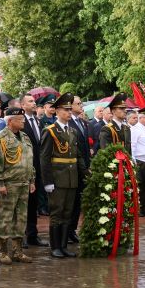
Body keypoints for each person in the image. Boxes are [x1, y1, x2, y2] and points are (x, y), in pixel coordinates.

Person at [41, 93, 87, 258]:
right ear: (57, 111)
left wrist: (85, 173)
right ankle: (55, 247)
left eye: (69, 109)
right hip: (57, 179)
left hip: (71, 178)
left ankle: (63, 245)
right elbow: (44, 159)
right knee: (57, 213)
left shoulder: (72, 131)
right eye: (65, 110)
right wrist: (48, 181)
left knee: (68, 212)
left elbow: (78, 156)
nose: (69, 112)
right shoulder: (50, 131)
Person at [0, 107, 36, 264]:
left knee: (21, 218)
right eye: (20, 119)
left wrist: (32, 180)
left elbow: (29, 160)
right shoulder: (0, 138)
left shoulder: (25, 137)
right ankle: (3, 251)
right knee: (6, 217)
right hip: (9, 184)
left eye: (23, 119)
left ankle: (17, 251)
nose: (23, 122)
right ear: (10, 121)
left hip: (24, 183)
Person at [20, 93, 48, 248]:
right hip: (24, 169)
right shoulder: (20, 121)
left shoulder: (38, 120)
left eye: (34, 101)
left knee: (34, 203)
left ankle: (32, 234)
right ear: (22, 105)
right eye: (30, 101)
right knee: (23, 204)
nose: (34, 103)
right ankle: (21, 236)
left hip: (38, 168)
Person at [67, 95, 91, 243]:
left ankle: (73, 230)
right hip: (73, 167)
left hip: (83, 166)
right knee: (72, 202)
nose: (81, 105)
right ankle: (68, 231)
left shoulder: (82, 122)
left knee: (78, 202)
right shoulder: (69, 123)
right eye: (78, 103)